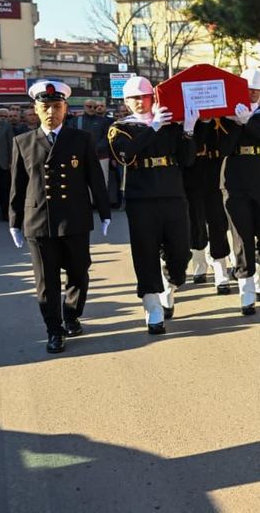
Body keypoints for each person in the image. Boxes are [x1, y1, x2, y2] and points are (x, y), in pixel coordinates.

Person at [8, 81, 112, 353]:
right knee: (47, 281)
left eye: (56, 106)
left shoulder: (80, 140)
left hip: (74, 217)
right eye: (45, 107)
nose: (51, 112)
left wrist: (104, 212)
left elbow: (95, 178)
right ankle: (54, 330)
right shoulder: (23, 142)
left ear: (65, 109)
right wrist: (14, 221)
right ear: (36, 109)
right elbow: (17, 185)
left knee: (79, 272)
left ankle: (72, 314)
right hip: (39, 220)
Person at [109, 75, 197, 333]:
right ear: (126, 101)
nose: (139, 102)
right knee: (145, 251)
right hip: (141, 197)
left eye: (144, 96)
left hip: (172, 192)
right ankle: (152, 306)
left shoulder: (169, 124)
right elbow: (126, 154)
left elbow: (188, 159)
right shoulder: (120, 128)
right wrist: (153, 126)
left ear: (153, 97)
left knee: (180, 252)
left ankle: (170, 285)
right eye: (133, 98)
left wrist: (189, 131)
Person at [216, 69, 260, 313]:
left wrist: (248, 122)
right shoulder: (225, 118)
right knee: (242, 235)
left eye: (257, 90)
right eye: (249, 90)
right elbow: (223, 147)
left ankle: (257, 269)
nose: (253, 94)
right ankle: (246, 288)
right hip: (235, 180)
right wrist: (234, 123)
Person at [182, 115, 232, 290]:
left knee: (218, 220)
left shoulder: (221, 117)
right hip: (191, 171)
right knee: (195, 220)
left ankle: (220, 268)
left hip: (216, 169)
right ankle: (199, 262)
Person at [68, 98, 113, 192]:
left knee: (102, 182)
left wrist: (95, 149)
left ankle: (101, 204)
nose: (92, 109)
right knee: (83, 183)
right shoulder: (75, 121)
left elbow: (107, 137)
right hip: (81, 157)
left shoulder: (104, 121)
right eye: (89, 106)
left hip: (101, 156)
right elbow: (70, 136)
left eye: (94, 107)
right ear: (84, 107)